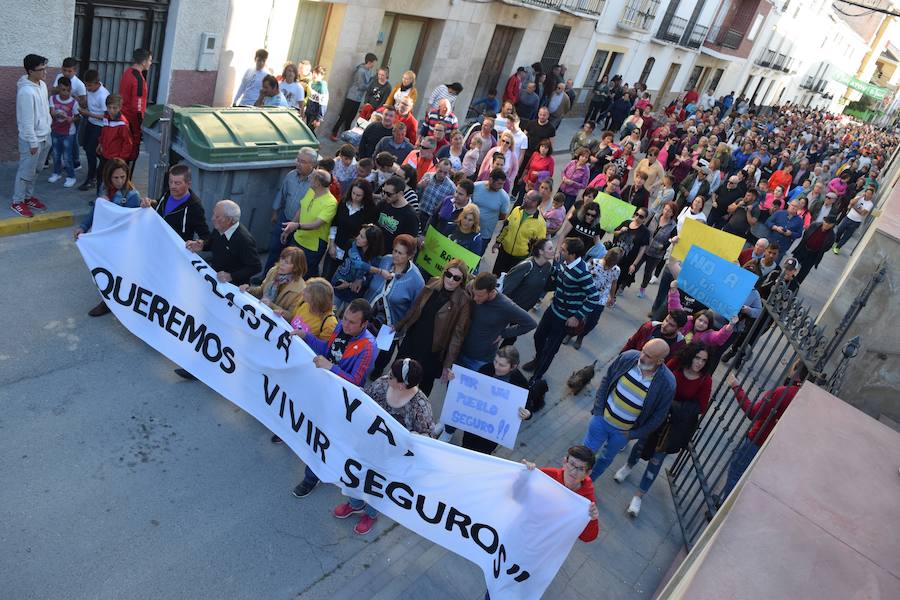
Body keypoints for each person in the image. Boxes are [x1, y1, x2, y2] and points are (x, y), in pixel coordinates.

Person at [332, 358, 436, 535]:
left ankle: (371, 514)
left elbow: (428, 436)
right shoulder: (382, 384)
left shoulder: (420, 405)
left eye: (392, 376)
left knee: (377, 487)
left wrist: (416, 437)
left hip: (392, 458)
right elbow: (365, 399)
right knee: (355, 475)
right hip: (366, 445)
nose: (388, 376)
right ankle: (355, 504)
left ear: (402, 385)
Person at [290, 299, 378, 495]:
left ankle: (310, 478)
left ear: (364, 324)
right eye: (344, 318)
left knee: (324, 436)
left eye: (351, 322)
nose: (345, 324)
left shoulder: (369, 347)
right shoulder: (340, 327)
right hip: (321, 387)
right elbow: (327, 350)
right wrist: (307, 337)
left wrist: (331, 368)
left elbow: (356, 382)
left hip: (338, 400)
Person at [614, 343, 712, 517]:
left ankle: (638, 497)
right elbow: (660, 376)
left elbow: (702, 407)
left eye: (704, 360)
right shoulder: (677, 363)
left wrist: (676, 406)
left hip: (675, 426)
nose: (699, 363)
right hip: (656, 415)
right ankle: (628, 466)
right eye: (697, 358)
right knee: (641, 445)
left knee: (657, 459)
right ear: (691, 356)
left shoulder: (705, 380)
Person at [583, 340, 676, 480]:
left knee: (605, 459)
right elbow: (607, 380)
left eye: (649, 356)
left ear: (660, 361)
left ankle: (587, 485)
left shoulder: (667, 383)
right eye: (643, 350)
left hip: (623, 434)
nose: (642, 356)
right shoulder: (628, 357)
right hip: (601, 421)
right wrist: (598, 411)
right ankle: (570, 482)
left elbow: (659, 416)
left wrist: (634, 434)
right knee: (584, 455)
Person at [719, 363, 808, 500]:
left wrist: (736, 386)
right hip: (776, 447)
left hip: (758, 439)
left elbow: (753, 413)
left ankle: (722, 509)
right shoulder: (806, 400)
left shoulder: (783, 392)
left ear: (796, 372)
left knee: (737, 471)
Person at [522, 237, 600, 382]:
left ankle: (536, 378)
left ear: (572, 254)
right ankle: (538, 361)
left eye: (563, 250)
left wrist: (577, 316)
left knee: (550, 350)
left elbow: (594, 297)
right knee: (538, 336)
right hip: (553, 308)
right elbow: (557, 277)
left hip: (565, 318)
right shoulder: (564, 262)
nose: (560, 251)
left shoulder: (583, 273)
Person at [394, 259, 472, 396]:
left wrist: (447, 365)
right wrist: (399, 325)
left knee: (422, 388)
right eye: (449, 274)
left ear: (462, 281)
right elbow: (415, 307)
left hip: (433, 350)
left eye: (457, 277)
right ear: (444, 273)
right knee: (399, 373)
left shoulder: (463, 301)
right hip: (414, 338)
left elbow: (457, 336)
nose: (451, 280)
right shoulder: (432, 283)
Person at [76, 158, 142, 316]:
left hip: (121, 243)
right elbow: (96, 211)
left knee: (116, 273)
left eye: (123, 177)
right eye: (116, 177)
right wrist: (83, 227)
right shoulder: (104, 188)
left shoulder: (132, 195)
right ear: (108, 177)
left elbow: (131, 223)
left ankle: (108, 303)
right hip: (106, 239)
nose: (120, 181)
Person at [453, 346, 533, 454]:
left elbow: (528, 406)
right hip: (475, 423)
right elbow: (470, 389)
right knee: (466, 447)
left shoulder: (520, 383)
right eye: (495, 361)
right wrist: (455, 379)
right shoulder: (486, 369)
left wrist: (527, 414)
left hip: (492, 434)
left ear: (513, 366)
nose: (496, 366)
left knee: (482, 454)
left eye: (502, 365)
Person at [364, 234, 425, 375]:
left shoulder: (417, 280)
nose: (395, 255)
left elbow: (415, 309)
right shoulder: (385, 260)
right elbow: (371, 279)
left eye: (400, 253)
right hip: (370, 313)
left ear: (410, 256)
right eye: (394, 251)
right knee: (363, 344)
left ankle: (377, 373)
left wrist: (399, 325)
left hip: (391, 323)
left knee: (383, 354)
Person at [457, 272, 536, 371]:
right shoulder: (473, 288)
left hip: (479, 361)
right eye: (474, 293)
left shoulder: (506, 306)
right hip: (459, 351)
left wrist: (504, 334)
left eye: (480, 296)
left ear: (491, 291)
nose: (475, 298)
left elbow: (530, 324)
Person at [262, 148, 316, 275]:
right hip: (284, 218)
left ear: (312, 165)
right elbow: (281, 194)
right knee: (275, 248)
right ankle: (266, 276)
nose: (298, 164)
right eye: (298, 160)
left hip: (301, 226)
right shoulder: (291, 175)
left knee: (291, 257)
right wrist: (275, 212)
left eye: (303, 161)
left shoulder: (315, 182)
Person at [11, 54, 52, 218]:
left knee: (36, 170)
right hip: (31, 141)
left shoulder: (41, 85)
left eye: (45, 68)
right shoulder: (26, 92)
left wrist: (48, 128)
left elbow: (45, 110)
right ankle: (17, 201)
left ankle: (28, 198)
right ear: (30, 71)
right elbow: (26, 122)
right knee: (25, 172)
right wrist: (33, 143)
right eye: (41, 69)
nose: (45, 72)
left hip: (45, 136)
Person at [186, 200, 261, 286]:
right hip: (215, 277)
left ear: (229, 220)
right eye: (214, 214)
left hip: (233, 286)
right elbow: (212, 242)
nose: (213, 218)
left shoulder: (244, 240)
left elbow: (256, 267)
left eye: (217, 216)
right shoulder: (220, 227)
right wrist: (202, 245)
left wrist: (231, 276)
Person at [281, 169, 338, 277]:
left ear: (317, 183)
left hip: (312, 247)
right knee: (289, 271)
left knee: (303, 274)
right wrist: (289, 227)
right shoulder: (311, 191)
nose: (309, 179)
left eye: (312, 178)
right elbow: (301, 208)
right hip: (298, 239)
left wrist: (296, 226)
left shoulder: (331, 203)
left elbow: (317, 224)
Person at [145, 164, 209, 241]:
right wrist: (150, 202)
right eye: (170, 182)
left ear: (188, 184)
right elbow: (160, 204)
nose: (172, 186)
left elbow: (205, 236)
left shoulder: (195, 208)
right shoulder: (167, 193)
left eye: (177, 183)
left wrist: (200, 244)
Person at [240, 246, 307, 319]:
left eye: (287, 262)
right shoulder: (273, 271)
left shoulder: (300, 289)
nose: (282, 263)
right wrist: (249, 290)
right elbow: (261, 290)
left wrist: (271, 306)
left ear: (296, 268)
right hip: (262, 314)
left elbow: (292, 316)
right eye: (282, 259)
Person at [491, 190, 547, 275]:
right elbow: (506, 227)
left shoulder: (541, 223)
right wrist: (498, 242)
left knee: (509, 282)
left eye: (528, 198)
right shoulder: (516, 210)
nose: (524, 198)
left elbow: (539, 246)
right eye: (525, 195)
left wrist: (531, 261)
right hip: (504, 252)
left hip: (520, 259)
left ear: (535, 203)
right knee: (495, 276)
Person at [667, 281, 737, 347]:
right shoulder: (686, 321)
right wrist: (673, 290)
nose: (701, 324)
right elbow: (675, 310)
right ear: (695, 318)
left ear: (708, 326)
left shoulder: (707, 336)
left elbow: (718, 337)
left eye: (705, 323)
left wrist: (731, 325)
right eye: (700, 320)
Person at [501, 237, 556, 317]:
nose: (553, 251)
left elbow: (545, 286)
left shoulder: (547, 266)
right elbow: (507, 288)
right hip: (510, 309)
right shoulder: (526, 266)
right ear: (541, 251)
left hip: (524, 310)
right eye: (550, 249)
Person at [632, 201, 677, 298]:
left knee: (648, 273)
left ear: (672, 213)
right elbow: (645, 227)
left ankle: (642, 289)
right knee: (634, 267)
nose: (666, 212)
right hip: (644, 248)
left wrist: (663, 246)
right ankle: (624, 284)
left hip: (656, 254)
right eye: (665, 209)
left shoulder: (673, 226)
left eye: (669, 211)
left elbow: (672, 239)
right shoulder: (655, 217)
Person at [331, 224, 384, 305]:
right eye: (359, 234)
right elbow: (357, 263)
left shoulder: (377, 259)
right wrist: (380, 271)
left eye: (362, 236)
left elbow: (370, 279)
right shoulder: (352, 245)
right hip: (338, 287)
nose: (357, 237)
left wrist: (350, 284)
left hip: (354, 295)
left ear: (370, 241)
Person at [51, 57, 86, 173]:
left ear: (75, 71)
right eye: (64, 70)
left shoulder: (79, 84)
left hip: (73, 116)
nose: (66, 73)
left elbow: (83, 103)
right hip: (60, 114)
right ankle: (55, 160)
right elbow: (54, 91)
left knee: (73, 139)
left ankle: (76, 162)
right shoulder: (59, 77)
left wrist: (72, 97)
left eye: (69, 71)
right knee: (56, 135)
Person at [330, 53, 376, 141]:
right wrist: (371, 82)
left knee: (351, 117)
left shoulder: (368, 70)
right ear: (369, 62)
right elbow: (361, 86)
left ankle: (347, 134)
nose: (374, 65)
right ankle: (334, 132)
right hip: (352, 97)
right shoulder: (361, 71)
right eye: (373, 62)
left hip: (358, 98)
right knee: (343, 116)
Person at [119, 47, 151, 165]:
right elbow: (137, 108)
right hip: (131, 122)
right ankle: (125, 180)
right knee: (130, 154)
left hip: (122, 117)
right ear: (144, 62)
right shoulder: (139, 80)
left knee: (121, 150)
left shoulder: (127, 72)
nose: (150, 63)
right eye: (150, 60)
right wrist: (140, 126)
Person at [95, 94, 133, 189]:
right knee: (101, 176)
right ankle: (100, 197)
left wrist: (121, 159)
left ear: (120, 108)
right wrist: (100, 143)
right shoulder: (106, 117)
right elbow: (104, 131)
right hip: (105, 154)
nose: (111, 110)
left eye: (114, 108)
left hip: (115, 158)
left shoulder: (123, 123)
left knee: (112, 180)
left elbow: (127, 143)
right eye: (109, 107)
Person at [47, 76, 78, 188]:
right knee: (56, 154)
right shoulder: (53, 99)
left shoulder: (73, 102)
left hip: (68, 133)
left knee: (67, 156)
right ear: (58, 89)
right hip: (55, 130)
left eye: (68, 90)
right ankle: (56, 173)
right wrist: (54, 114)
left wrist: (71, 119)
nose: (66, 93)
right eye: (63, 90)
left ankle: (71, 176)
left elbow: (78, 117)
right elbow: (51, 111)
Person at [611, 208, 651, 292]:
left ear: (644, 219)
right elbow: (614, 233)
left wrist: (634, 264)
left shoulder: (645, 232)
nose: (637, 217)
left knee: (618, 280)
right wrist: (621, 231)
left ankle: (612, 297)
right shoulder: (626, 222)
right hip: (615, 255)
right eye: (637, 214)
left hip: (627, 260)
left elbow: (641, 251)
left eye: (641, 216)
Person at [471, 170, 511, 253]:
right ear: (491, 179)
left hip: (484, 234)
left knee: (476, 257)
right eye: (499, 183)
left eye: (503, 184)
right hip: (467, 228)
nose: (501, 187)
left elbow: (502, 216)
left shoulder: (504, 197)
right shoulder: (476, 186)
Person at [374, 176, 420, 247]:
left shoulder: (411, 216)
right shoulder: (383, 203)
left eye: (389, 194)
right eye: (384, 192)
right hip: (375, 247)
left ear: (400, 193)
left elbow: (409, 243)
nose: (385, 196)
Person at [792, 215, 837, 284]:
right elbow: (806, 234)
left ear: (832, 225)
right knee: (792, 265)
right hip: (803, 249)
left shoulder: (832, 236)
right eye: (825, 222)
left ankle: (794, 286)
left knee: (803, 272)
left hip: (813, 255)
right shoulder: (814, 225)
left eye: (829, 223)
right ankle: (784, 280)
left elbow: (827, 248)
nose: (826, 224)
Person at [622, 311, 687, 355]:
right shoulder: (648, 327)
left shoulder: (679, 345)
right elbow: (631, 343)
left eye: (671, 325)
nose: (665, 325)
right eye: (666, 320)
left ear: (679, 329)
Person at [832, 186, 874, 254]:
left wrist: (854, 206)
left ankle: (838, 247)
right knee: (839, 230)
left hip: (856, 222)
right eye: (867, 193)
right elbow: (851, 202)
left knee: (847, 236)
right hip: (848, 217)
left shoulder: (870, 204)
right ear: (865, 192)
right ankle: (836, 241)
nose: (868, 195)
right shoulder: (859, 197)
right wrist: (860, 197)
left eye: (870, 194)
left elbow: (863, 213)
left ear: (872, 195)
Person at [416, 159, 455, 231]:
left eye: (445, 173)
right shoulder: (427, 176)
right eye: (440, 171)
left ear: (449, 172)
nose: (441, 175)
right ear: (436, 167)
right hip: (420, 212)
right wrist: (419, 186)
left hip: (433, 219)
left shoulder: (451, 188)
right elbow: (416, 194)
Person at [303, 66, 329, 131]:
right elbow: (310, 98)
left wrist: (318, 119)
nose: (315, 75)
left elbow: (323, 104)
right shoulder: (312, 83)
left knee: (309, 132)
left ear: (322, 76)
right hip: (309, 111)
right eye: (314, 72)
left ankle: (316, 141)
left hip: (315, 114)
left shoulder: (322, 87)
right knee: (308, 131)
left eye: (317, 73)